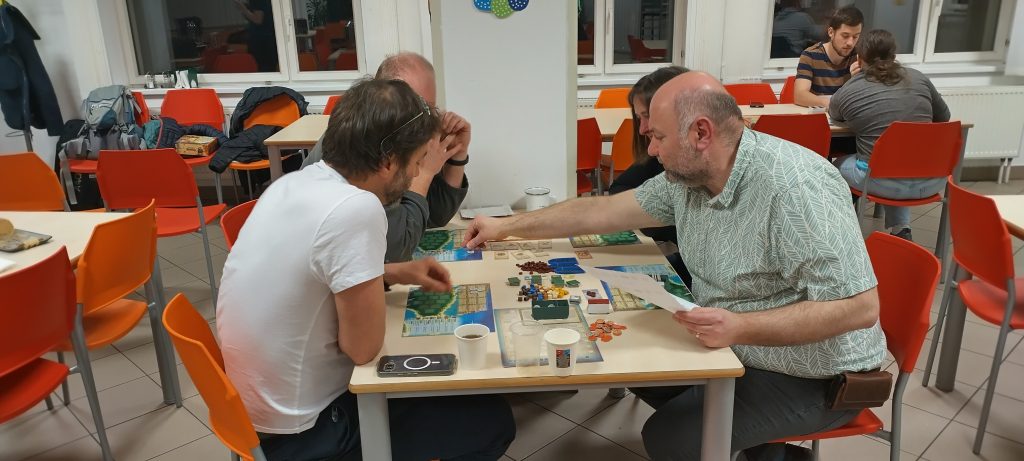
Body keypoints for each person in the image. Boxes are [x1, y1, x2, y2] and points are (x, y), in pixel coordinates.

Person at [463, 71, 886, 461]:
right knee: (634, 364)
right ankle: (754, 449)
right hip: (739, 347)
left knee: (672, 439)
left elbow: (859, 308)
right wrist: (507, 227)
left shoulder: (796, 187)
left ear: (701, 133)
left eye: (658, 137)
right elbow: (603, 212)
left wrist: (740, 327)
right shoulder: (689, 178)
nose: (650, 150)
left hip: (816, 375)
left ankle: (763, 451)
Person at [217, 78, 515, 461]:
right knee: (492, 421)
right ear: (388, 160)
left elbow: (315, 274)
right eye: (416, 162)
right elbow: (362, 349)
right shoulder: (357, 208)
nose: (415, 175)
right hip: (306, 435)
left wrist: (392, 272)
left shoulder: (293, 184)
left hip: (254, 422)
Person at [302, 52, 471, 263]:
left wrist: (456, 155)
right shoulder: (364, 149)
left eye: (430, 109)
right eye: (418, 108)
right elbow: (397, 246)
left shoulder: (402, 134)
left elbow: (435, 216)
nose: (425, 121)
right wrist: (425, 173)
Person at [830, 29, 951, 242]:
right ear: (894, 56)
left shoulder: (852, 89)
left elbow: (835, 113)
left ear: (860, 58)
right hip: (931, 180)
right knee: (899, 162)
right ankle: (901, 229)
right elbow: (944, 116)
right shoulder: (918, 78)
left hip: (880, 182)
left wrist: (854, 79)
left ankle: (839, 230)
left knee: (833, 166)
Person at [606, 65, 691, 288]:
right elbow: (610, 203)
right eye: (639, 118)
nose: (643, 129)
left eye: (647, 117)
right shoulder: (670, 176)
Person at [793, 6, 863, 107]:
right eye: (845, 36)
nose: (850, 43)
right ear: (831, 32)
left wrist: (857, 80)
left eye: (855, 37)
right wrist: (830, 104)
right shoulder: (811, 55)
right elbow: (800, 96)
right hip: (820, 114)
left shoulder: (859, 57)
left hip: (847, 115)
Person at [233, 0, 278, 72]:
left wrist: (243, 8)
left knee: (262, 69)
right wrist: (246, 9)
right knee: (268, 69)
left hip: (261, 42)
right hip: (268, 39)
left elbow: (258, 20)